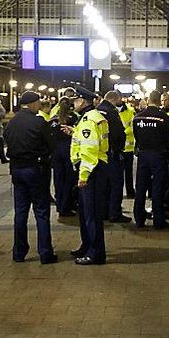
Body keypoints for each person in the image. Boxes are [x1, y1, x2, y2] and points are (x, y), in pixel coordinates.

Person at [3, 91, 58, 264]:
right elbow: (51, 145)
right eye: (39, 104)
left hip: (17, 170)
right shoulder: (39, 122)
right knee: (41, 212)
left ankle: (19, 252)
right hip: (35, 170)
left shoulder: (11, 123)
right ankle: (45, 252)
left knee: (20, 212)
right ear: (33, 104)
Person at [70, 88, 110, 264]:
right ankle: (87, 246)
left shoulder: (88, 120)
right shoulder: (93, 117)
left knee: (91, 214)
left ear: (83, 101)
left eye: (75, 100)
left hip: (92, 170)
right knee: (86, 212)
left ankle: (95, 253)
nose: (73, 103)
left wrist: (84, 175)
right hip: (97, 168)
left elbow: (90, 150)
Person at [131, 90, 169, 230]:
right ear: (158, 101)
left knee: (140, 187)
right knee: (157, 188)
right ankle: (159, 220)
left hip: (143, 155)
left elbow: (136, 136)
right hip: (158, 155)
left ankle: (139, 219)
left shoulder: (138, 118)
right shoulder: (163, 117)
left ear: (149, 100)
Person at [97, 91, 130, 223]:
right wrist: (119, 149)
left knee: (103, 185)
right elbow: (118, 133)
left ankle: (103, 211)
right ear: (114, 100)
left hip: (100, 153)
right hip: (112, 154)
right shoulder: (111, 112)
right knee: (116, 184)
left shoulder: (97, 110)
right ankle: (115, 213)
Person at [50, 97, 78, 217]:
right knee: (69, 179)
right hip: (69, 151)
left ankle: (59, 204)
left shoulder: (53, 120)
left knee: (58, 179)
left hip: (56, 152)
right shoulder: (74, 118)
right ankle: (66, 206)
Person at [119, 96, 136, 198]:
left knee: (128, 173)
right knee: (118, 174)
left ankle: (130, 192)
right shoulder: (112, 111)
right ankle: (119, 193)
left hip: (128, 148)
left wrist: (122, 133)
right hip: (118, 148)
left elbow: (132, 126)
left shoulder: (130, 111)